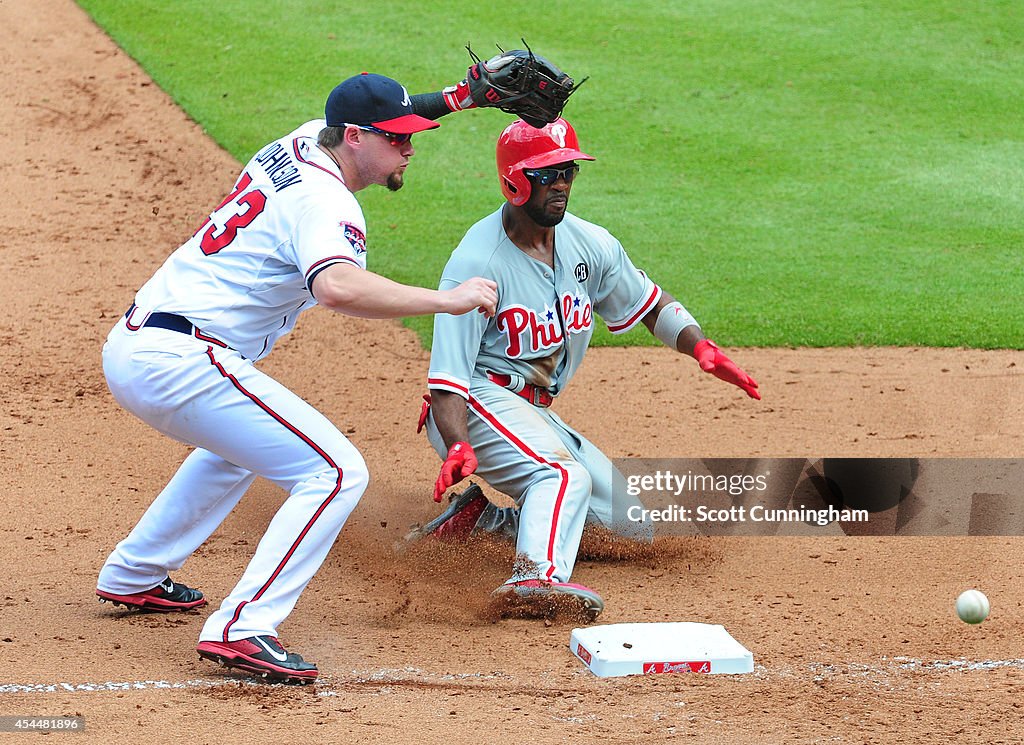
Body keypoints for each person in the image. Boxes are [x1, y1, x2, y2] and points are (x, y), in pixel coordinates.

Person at [94, 70, 510, 685]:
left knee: (241, 451)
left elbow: (370, 113)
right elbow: (337, 287)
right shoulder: (327, 201)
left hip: (143, 345)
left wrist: (458, 99)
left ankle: (135, 575)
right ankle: (243, 628)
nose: (410, 147)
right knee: (337, 471)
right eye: (397, 138)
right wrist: (448, 299)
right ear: (354, 138)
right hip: (183, 362)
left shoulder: (302, 140)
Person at [419, 117, 760, 619]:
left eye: (568, 171)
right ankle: (535, 577)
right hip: (473, 403)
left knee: (632, 527)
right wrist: (456, 443)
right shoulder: (477, 262)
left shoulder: (589, 244)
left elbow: (649, 303)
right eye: (547, 173)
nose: (561, 183)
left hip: (532, 413)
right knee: (562, 476)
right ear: (514, 179)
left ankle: (484, 523)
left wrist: (701, 347)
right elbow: (447, 378)